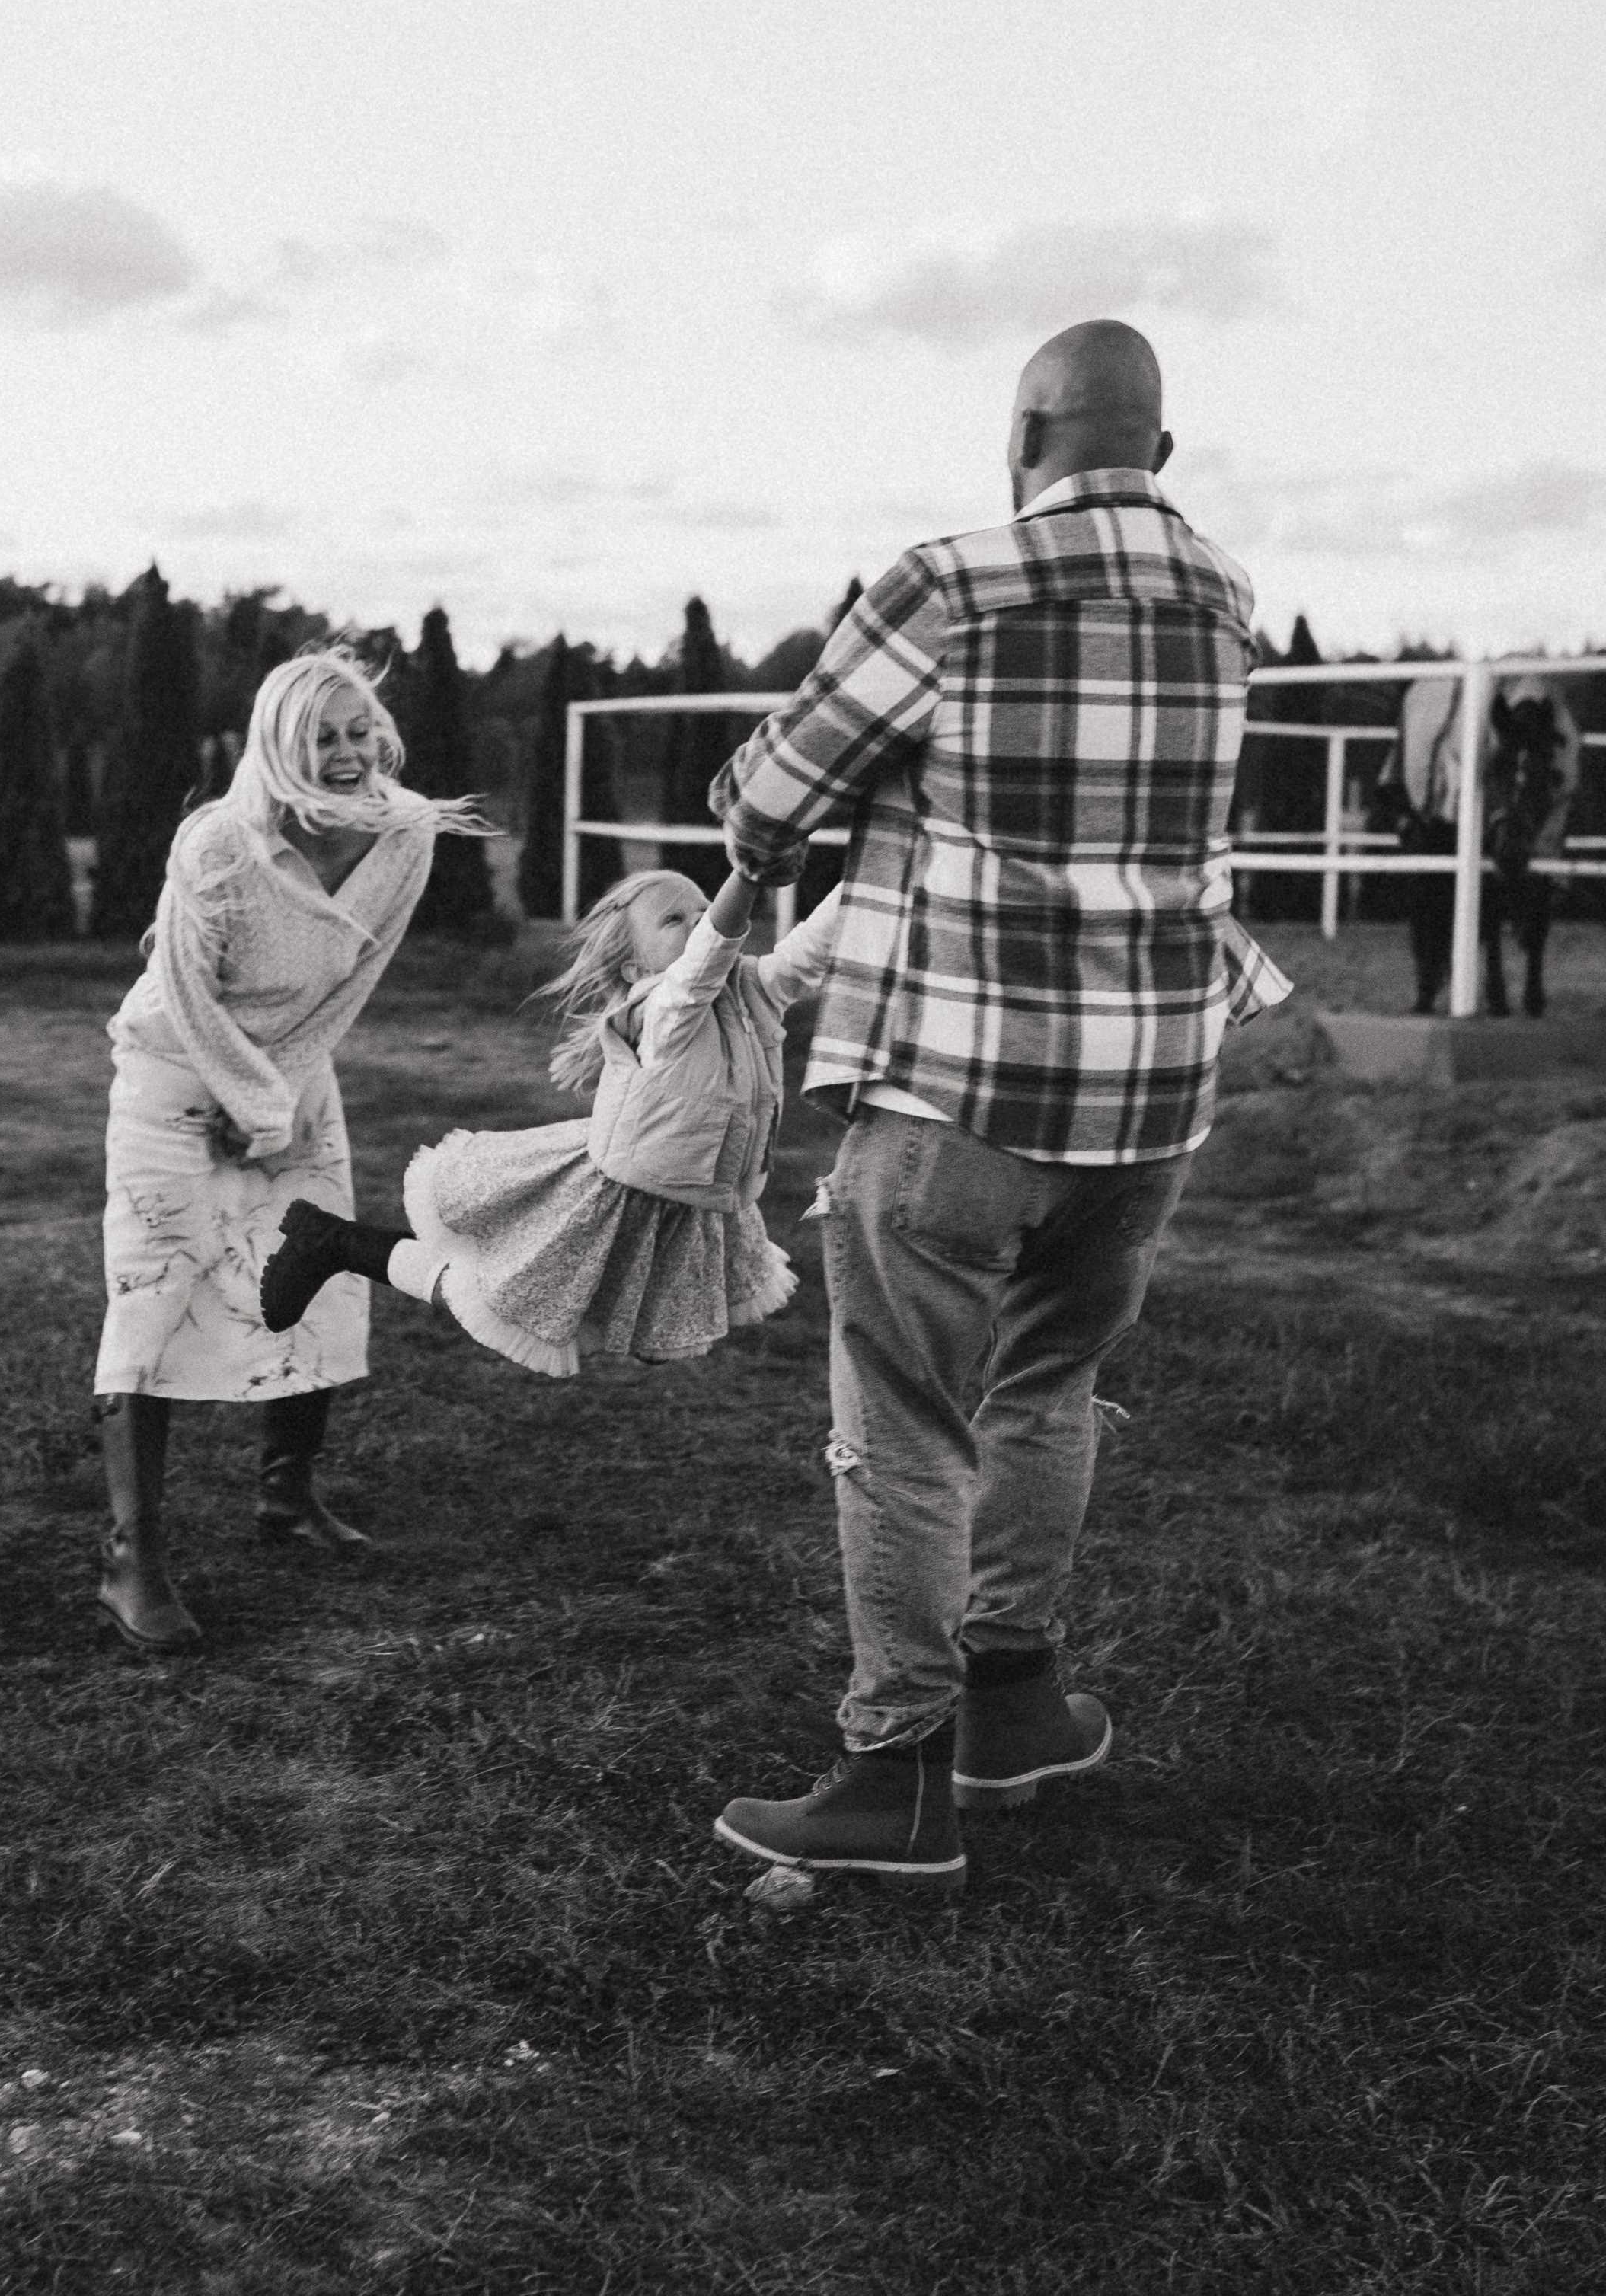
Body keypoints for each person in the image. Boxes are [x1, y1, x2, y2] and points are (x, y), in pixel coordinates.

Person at [707, 320, 1292, 1892]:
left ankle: (892, 1772)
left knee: (899, 1420)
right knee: (1042, 1387)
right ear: (1155, 453)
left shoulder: (947, 582)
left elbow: (768, 797)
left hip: (961, 1087)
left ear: (1014, 439)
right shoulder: (1224, 595)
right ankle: (1014, 1704)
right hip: (1154, 1091)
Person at [91, 646, 481, 1653]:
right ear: (279, 742)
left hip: (296, 1075)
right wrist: (241, 1098)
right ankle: (133, 1565)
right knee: (156, 1290)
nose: (348, 755)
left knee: (313, 1273)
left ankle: (288, 1499)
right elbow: (186, 988)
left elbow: (352, 985)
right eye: (323, 737)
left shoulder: (407, 835)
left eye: (360, 733)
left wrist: (282, 1097)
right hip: (176, 1068)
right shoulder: (218, 844)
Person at [259, 857, 832, 1377]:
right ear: (634, 968)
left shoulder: (752, 990)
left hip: (689, 1199)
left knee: (632, 1335)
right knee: (498, 1302)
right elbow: (704, 963)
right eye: (674, 919)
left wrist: (880, 869)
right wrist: (749, 873)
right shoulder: (663, 1007)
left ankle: (331, 1241)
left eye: (704, 909)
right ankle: (330, 1242)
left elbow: (807, 953)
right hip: (615, 1198)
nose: (700, 922)